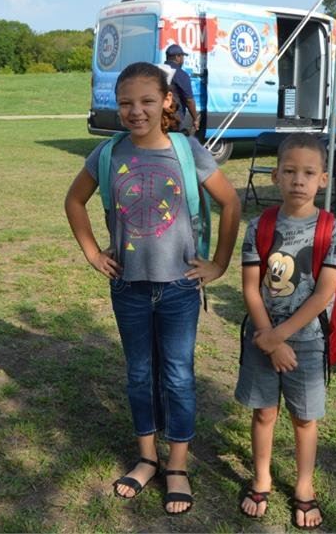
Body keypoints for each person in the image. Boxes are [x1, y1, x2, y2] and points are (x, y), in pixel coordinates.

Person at [65, 62, 240, 514]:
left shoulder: (189, 151)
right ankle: (147, 458)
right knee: (140, 374)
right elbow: (74, 200)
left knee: (178, 375)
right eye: (125, 103)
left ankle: (177, 465)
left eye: (146, 101)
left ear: (166, 101)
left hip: (180, 287)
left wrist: (219, 263)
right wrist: (91, 251)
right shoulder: (107, 155)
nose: (135, 111)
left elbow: (230, 202)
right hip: (129, 287)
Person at [234, 133, 336, 530]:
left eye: (309, 172)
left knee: (304, 419)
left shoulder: (333, 231)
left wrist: (279, 338)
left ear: (323, 179)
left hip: (307, 341)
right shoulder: (258, 226)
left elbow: (322, 296)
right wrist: (267, 336)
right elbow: (251, 287)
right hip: (261, 336)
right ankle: (261, 477)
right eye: (290, 171)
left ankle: (303, 485)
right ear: (275, 176)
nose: (298, 180)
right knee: (264, 412)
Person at [164, 44, 200, 135]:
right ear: (178, 57)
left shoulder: (157, 71)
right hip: (174, 118)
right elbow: (189, 100)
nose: (183, 60)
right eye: (182, 57)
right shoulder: (181, 75)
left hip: (157, 118)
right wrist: (195, 119)